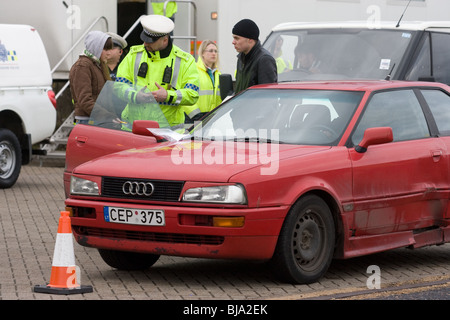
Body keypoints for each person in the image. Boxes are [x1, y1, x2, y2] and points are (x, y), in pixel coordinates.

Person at [116, 14, 199, 128]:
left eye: (150, 41)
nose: (145, 44)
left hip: (167, 131)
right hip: (133, 128)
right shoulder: (133, 54)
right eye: (144, 39)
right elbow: (119, 85)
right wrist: (135, 96)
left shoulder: (185, 60)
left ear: (165, 39)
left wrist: (168, 96)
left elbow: (192, 94)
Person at [69, 31, 113, 124]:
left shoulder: (97, 65)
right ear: (96, 47)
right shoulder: (83, 66)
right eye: (105, 49)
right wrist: (108, 116)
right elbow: (85, 100)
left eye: (110, 49)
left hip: (96, 119)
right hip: (86, 120)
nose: (109, 53)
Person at [232, 19, 277, 94]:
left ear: (250, 40)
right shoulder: (241, 59)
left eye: (237, 38)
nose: (233, 42)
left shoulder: (264, 60)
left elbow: (267, 95)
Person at [184, 40, 222, 123]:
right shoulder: (193, 71)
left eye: (216, 51)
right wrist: (196, 115)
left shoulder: (218, 74)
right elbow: (185, 95)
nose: (214, 53)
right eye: (210, 51)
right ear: (202, 53)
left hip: (212, 119)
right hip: (194, 118)